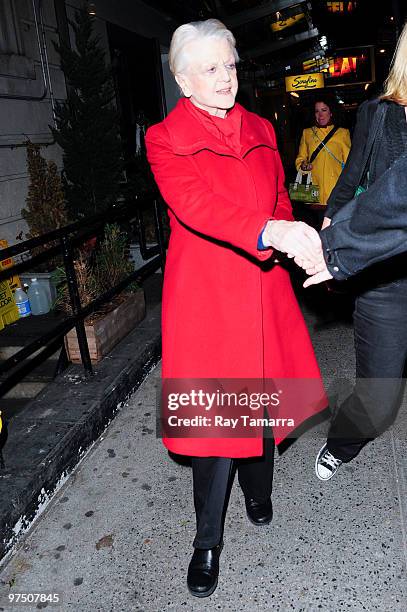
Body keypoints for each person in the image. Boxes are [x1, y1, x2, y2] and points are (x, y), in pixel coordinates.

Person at [145, 19, 326, 598]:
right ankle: (206, 543)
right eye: (211, 69)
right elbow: (196, 207)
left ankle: (260, 490)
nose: (226, 78)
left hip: (265, 279)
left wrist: (292, 237)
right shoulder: (164, 138)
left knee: (265, 404)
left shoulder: (261, 127)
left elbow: (275, 192)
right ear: (182, 79)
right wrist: (268, 229)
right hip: (208, 295)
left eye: (230, 65)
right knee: (217, 424)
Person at [300, 21, 407, 482]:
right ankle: (343, 440)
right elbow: (351, 180)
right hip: (387, 278)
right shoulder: (380, 114)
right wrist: (327, 243)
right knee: (380, 396)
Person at [295, 97, 351, 226]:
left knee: (337, 228)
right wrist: (303, 165)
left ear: (331, 112)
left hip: (336, 192)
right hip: (316, 192)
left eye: (324, 110)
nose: (320, 115)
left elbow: (349, 163)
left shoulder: (342, 133)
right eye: (317, 111)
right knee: (320, 228)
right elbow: (300, 158)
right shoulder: (307, 133)